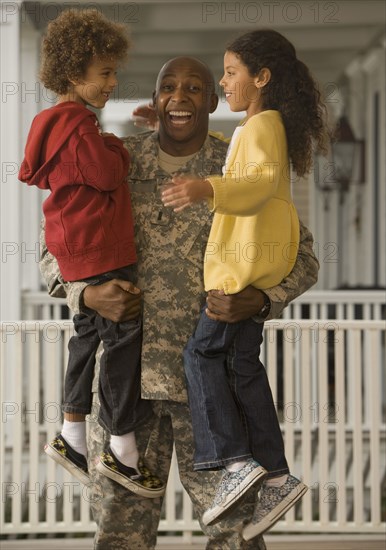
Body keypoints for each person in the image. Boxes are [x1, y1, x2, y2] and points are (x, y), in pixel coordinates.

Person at [40, 56, 320, 549]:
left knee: (235, 535)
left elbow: (301, 254)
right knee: (120, 535)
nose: (180, 97)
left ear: (212, 101)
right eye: (168, 86)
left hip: (212, 395)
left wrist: (261, 299)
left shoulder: (236, 167)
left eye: (195, 87)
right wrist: (86, 293)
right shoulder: (113, 160)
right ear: (155, 99)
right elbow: (54, 243)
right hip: (127, 390)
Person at [161, 29, 329, 537]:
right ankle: (275, 474)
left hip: (239, 272)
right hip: (252, 269)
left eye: (231, 72)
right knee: (241, 366)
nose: (226, 81)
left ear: (262, 78)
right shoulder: (267, 125)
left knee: (200, 356)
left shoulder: (259, 127)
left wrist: (204, 186)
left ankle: (236, 462)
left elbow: (252, 187)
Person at [18, 9, 164, 498]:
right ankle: (122, 448)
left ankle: (72, 431)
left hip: (77, 250)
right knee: (123, 344)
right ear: (73, 75)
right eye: (104, 73)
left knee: (86, 337)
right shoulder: (79, 124)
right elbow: (104, 175)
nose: (112, 81)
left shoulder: (51, 125)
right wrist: (116, 147)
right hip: (103, 247)